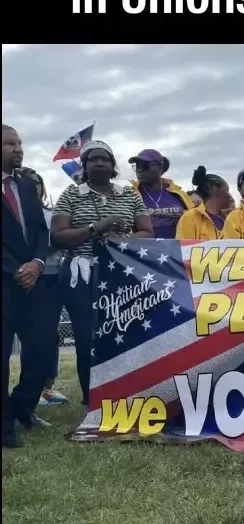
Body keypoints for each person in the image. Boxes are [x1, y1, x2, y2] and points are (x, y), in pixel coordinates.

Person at [51, 141, 153, 407]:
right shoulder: (72, 194)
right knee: (86, 340)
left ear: (113, 165)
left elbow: (147, 231)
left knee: (124, 334)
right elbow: (58, 237)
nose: (98, 163)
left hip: (120, 275)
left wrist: (123, 238)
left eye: (104, 159)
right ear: (84, 166)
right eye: (92, 159)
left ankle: (124, 394)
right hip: (81, 275)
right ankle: (92, 399)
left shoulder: (129, 194)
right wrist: (96, 227)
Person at [2, 125, 53, 448]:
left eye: (20, 143)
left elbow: (39, 232)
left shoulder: (25, 185)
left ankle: (20, 407)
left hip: (33, 280)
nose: (18, 148)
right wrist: (16, 269)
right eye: (10, 143)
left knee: (44, 347)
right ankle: (4, 427)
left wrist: (37, 263)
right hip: (5, 282)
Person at [18, 169, 67, 406]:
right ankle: (29, 391)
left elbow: (60, 240)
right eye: (28, 181)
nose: (33, 186)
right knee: (31, 339)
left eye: (37, 182)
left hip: (51, 279)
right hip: (21, 280)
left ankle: (47, 387)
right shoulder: (14, 214)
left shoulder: (52, 214)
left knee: (49, 336)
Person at [129, 149, 193, 239]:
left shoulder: (180, 195)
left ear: (160, 167)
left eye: (145, 165)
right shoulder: (130, 195)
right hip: (145, 251)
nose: (139, 170)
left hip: (179, 250)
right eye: (137, 166)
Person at [176, 167, 230, 240]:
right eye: (227, 190)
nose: (229, 195)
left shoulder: (229, 218)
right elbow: (183, 248)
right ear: (216, 189)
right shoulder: (190, 217)